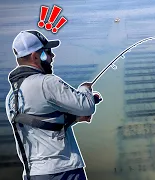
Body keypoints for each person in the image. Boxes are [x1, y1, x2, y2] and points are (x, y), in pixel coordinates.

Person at [5, 30, 102, 180]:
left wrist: (74, 119)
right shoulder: (47, 82)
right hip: (64, 171)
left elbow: (42, 124)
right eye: (47, 52)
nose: (52, 56)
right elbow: (86, 105)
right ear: (35, 56)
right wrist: (85, 89)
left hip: (34, 174)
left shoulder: (12, 96)